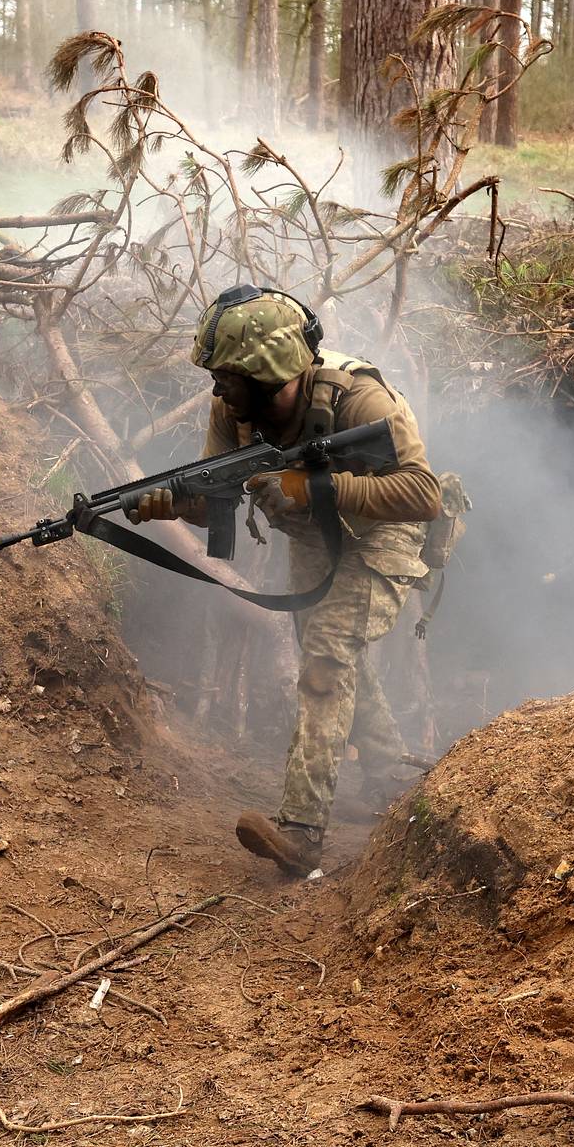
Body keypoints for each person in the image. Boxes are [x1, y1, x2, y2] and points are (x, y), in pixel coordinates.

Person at [129, 285, 442, 877]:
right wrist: (168, 503)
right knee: (334, 652)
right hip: (316, 542)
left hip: (382, 535)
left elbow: (422, 495)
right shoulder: (233, 412)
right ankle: (389, 777)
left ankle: (301, 834)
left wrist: (315, 487)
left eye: (228, 376)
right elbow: (211, 501)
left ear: (266, 370)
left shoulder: (360, 402)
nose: (217, 389)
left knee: (325, 659)